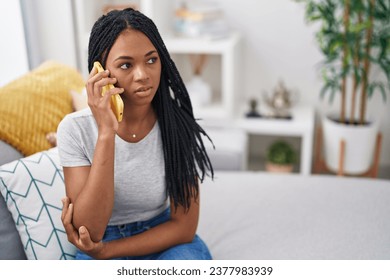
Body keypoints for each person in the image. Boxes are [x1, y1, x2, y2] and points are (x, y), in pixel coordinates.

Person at [57, 7, 214, 260]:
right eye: (126, 65)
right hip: (103, 237)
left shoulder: (176, 124)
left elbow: (184, 227)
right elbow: (90, 230)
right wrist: (107, 132)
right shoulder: (74, 129)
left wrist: (109, 251)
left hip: (163, 237)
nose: (143, 75)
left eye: (151, 60)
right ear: (99, 72)